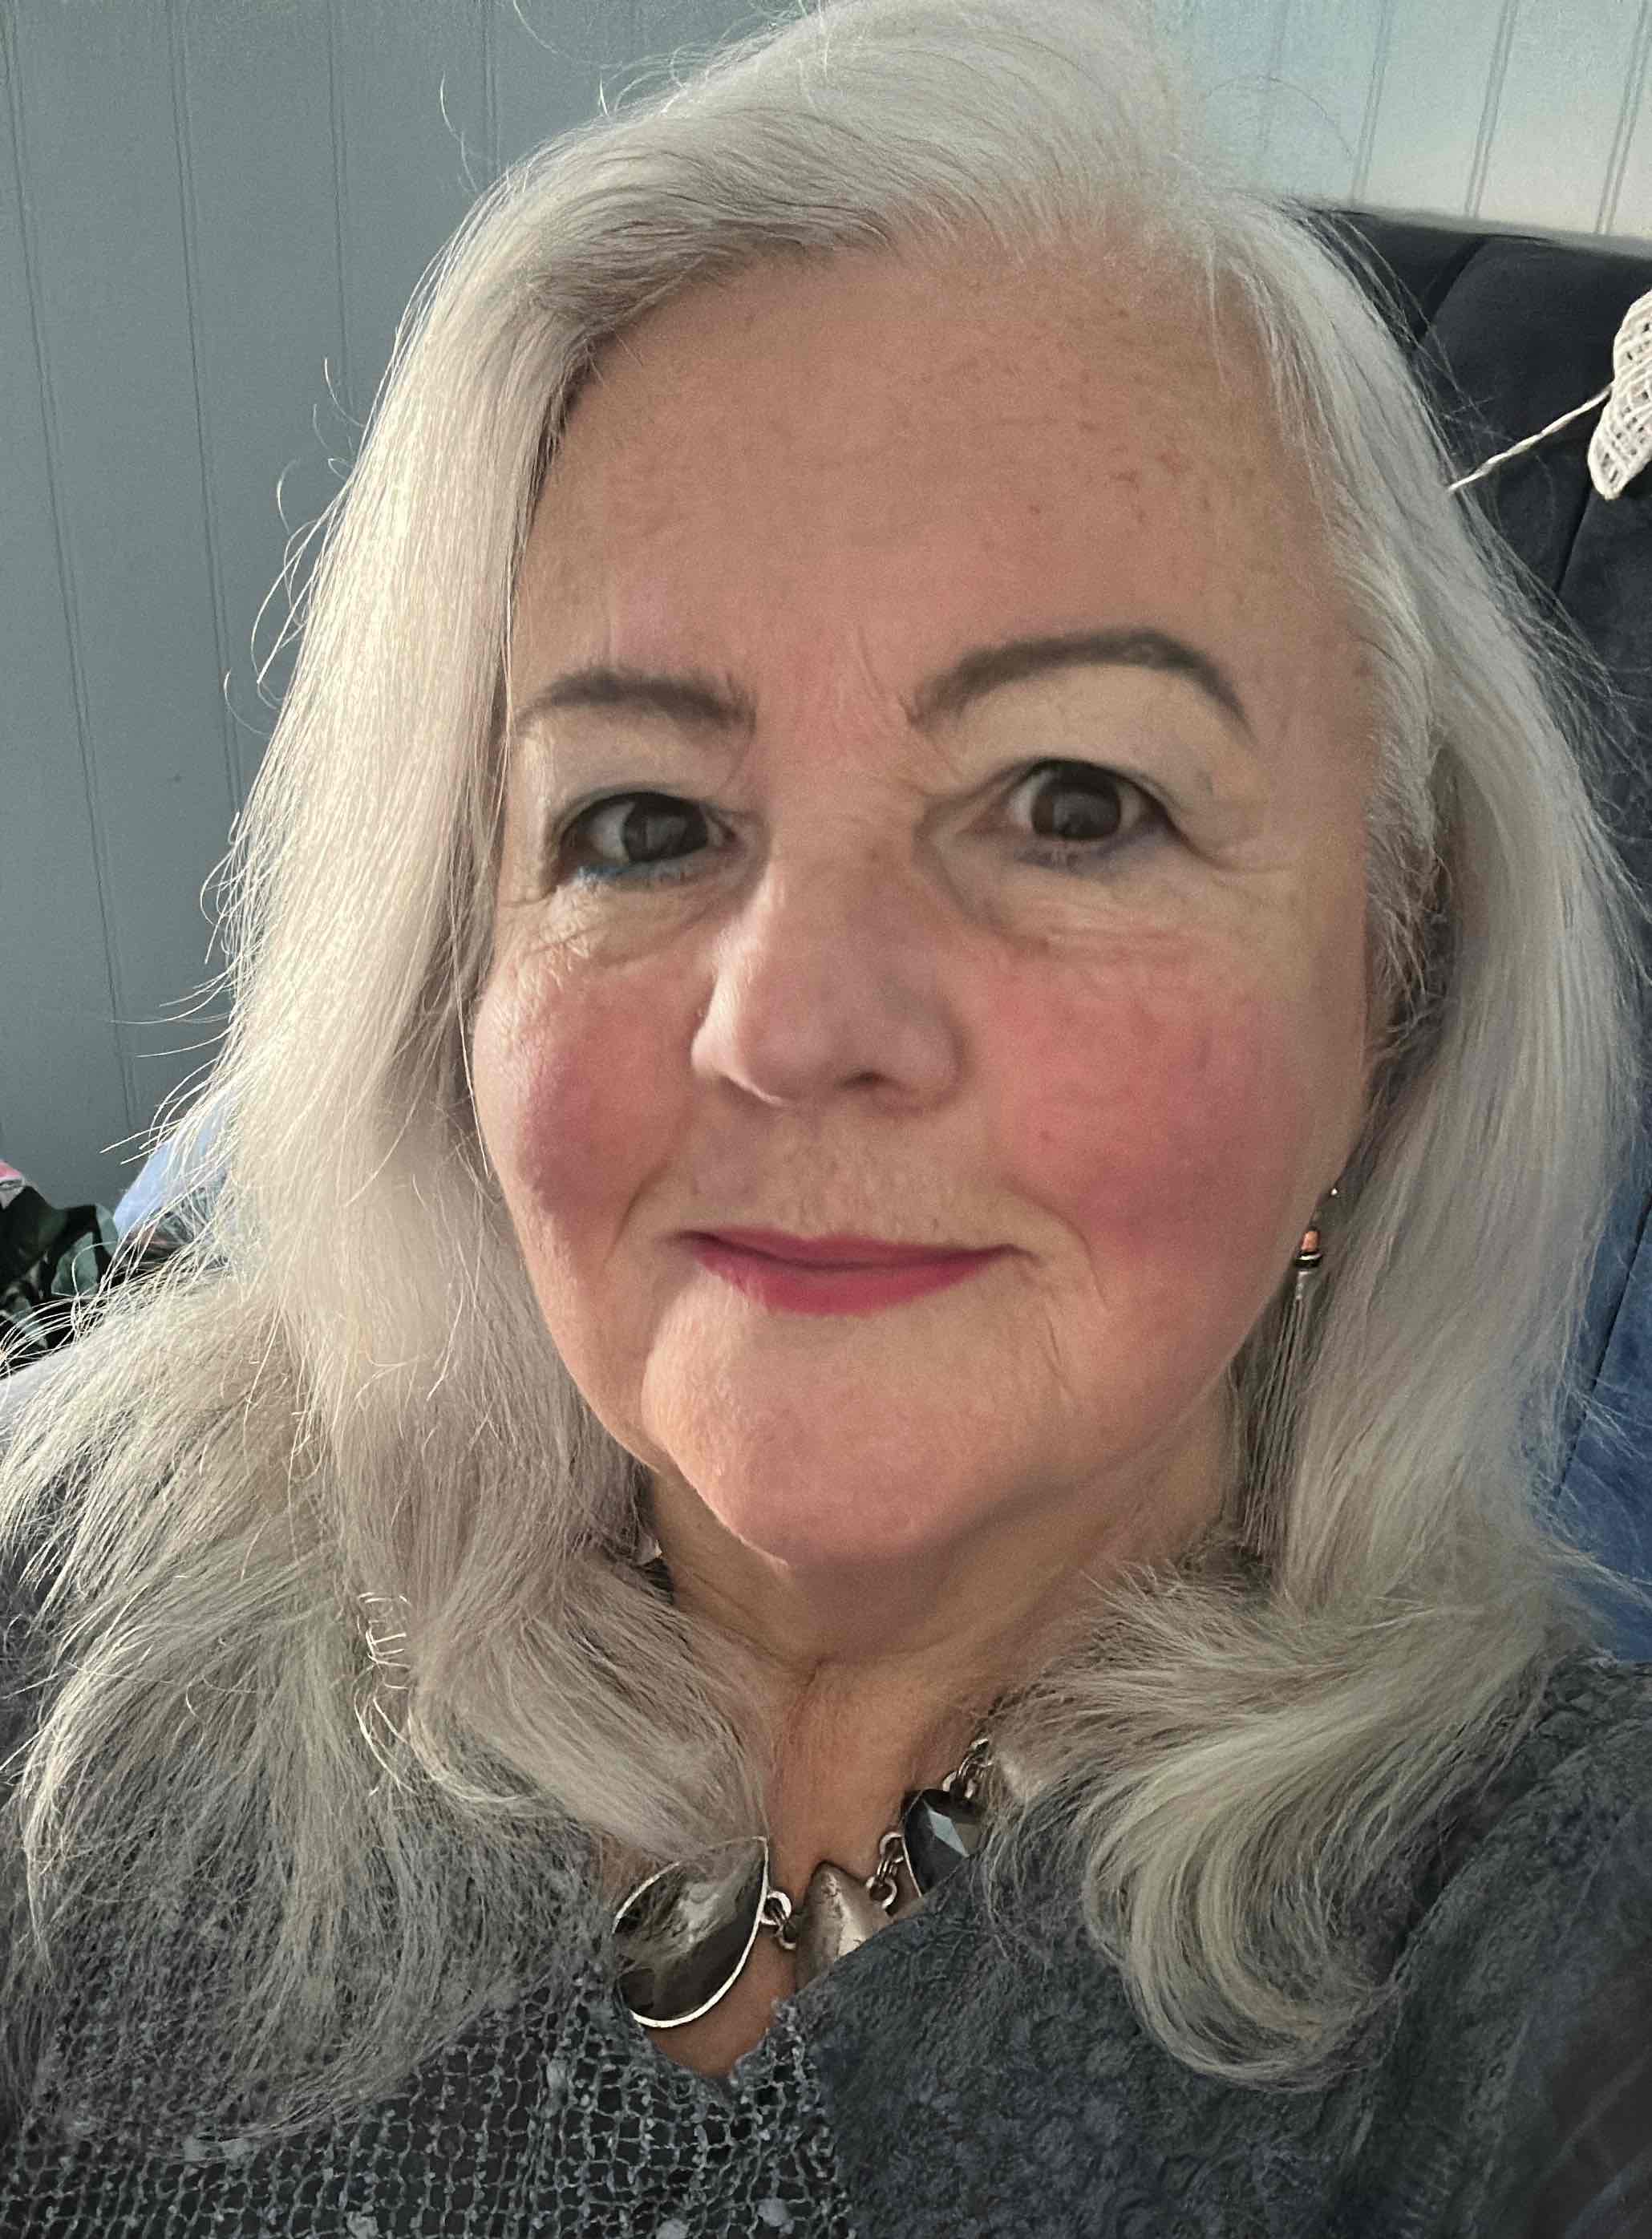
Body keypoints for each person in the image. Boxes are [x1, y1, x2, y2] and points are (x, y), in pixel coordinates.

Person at [2, 0, 1650, 2229]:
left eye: (1074, 803)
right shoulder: (69, 1634)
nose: (787, 1025)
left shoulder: (1544, 1941)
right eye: (640, 824)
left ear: (1398, 984)